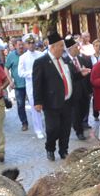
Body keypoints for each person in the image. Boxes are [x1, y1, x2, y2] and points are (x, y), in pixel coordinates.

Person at [33, 32, 83, 160]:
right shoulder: (41, 62)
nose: (63, 48)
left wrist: (81, 74)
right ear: (53, 47)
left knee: (66, 128)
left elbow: (70, 77)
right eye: (61, 46)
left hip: (67, 101)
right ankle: (50, 148)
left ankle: (63, 150)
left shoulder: (65, 60)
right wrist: (37, 102)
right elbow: (37, 83)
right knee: (53, 128)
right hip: (51, 102)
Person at [63, 35, 92, 141]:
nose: (78, 48)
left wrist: (89, 90)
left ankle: (80, 124)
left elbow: (87, 73)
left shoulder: (81, 59)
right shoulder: (65, 61)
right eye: (76, 47)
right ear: (70, 49)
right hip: (74, 92)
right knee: (76, 112)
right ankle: (78, 130)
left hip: (84, 90)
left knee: (84, 110)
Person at [18, 33, 45, 137]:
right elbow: (20, 73)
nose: (31, 45)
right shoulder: (23, 57)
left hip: (43, 84)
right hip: (31, 85)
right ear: (25, 45)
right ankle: (38, 130)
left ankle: (47, 127)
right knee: (35, 107)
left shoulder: (41, 54)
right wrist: (32, 74)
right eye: (29, 43)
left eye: (33, 42)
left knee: (46, 106)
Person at [5, 38, 28, 132]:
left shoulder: (28, 54)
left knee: (36, 103)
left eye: (22, 44)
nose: (21, 46)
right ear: (15, 46)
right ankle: (24, 123)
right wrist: (10, 81)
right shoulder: (11, 56)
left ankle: (38, 122)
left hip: (30, 83)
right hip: (18, 85)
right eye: (19, 45)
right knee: (20, 105)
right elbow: (6, 68)